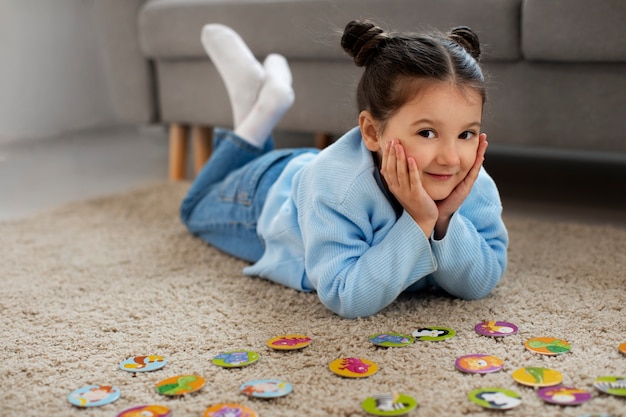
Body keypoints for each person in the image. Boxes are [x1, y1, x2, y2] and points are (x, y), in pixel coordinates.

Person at [180, 21, 509, 319]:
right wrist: (419, 219)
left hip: (324, 170)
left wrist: (443, 220)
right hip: (267, 195)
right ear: (371, 132)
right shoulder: (334, 187)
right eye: (427, 133)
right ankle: (259, 114)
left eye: (466, 134)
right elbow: (345, 295)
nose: (451, 159)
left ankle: (254, 101)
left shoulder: (471, 182)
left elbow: (481, 281)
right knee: (194, 208)